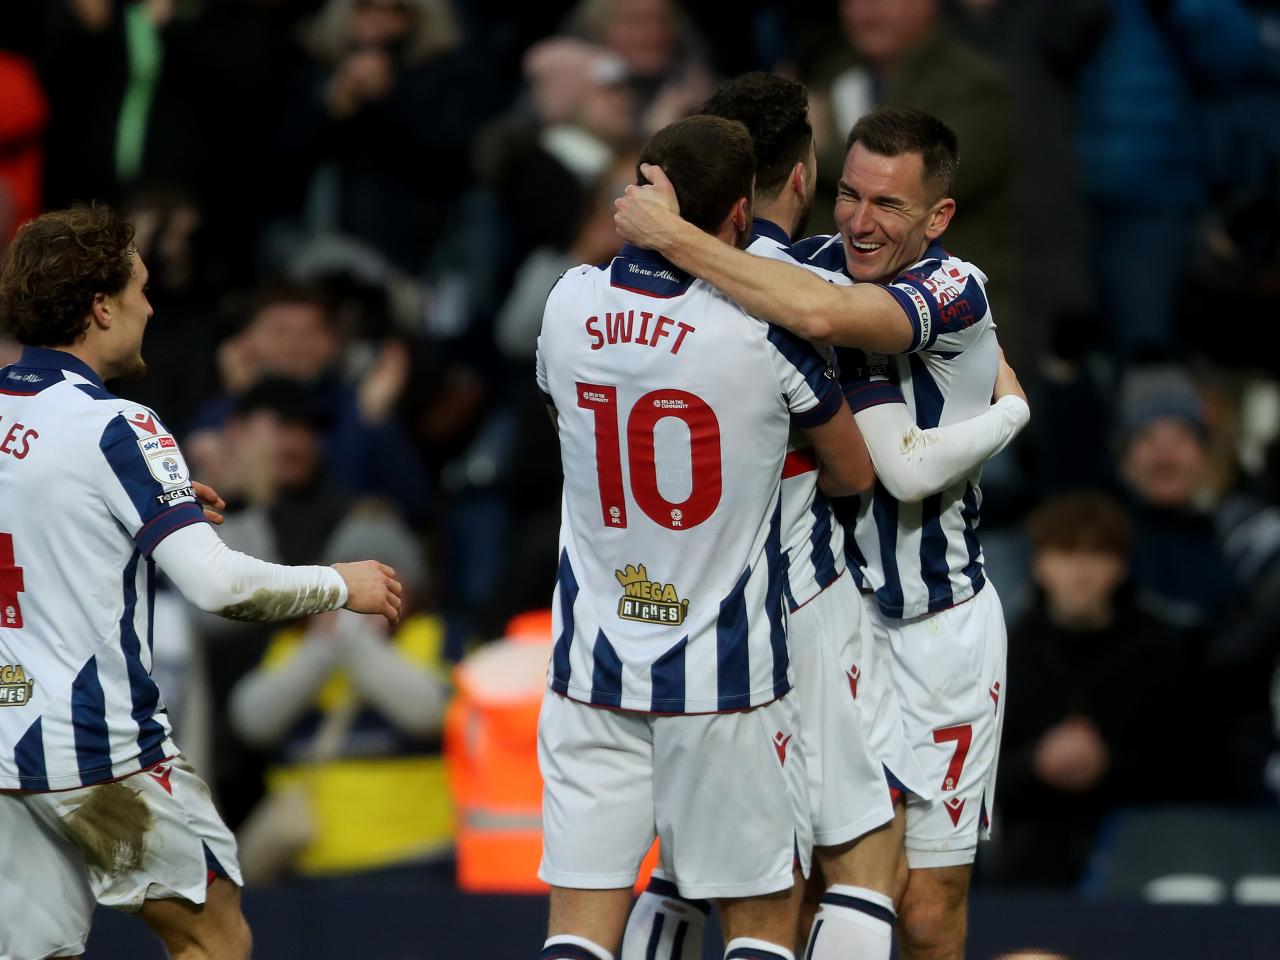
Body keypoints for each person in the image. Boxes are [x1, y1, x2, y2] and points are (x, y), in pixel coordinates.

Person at [620, 75, 1030, 960]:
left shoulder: (957, 291)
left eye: (890, 203)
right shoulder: (801, 265)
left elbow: (818, 316)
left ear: (939, 216)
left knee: (926, 911)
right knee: (802, 881)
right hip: (823, 624)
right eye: (849, 192)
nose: (861, 220)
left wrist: (674, 236)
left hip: (938, 629)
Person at [0, 204, 402, 960]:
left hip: (2, 737)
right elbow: (220, 587)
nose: (151, 307)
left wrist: (151, 509)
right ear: (100, 306)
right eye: (140, 289)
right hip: (96, 752)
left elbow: (44, 518)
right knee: (214, 940)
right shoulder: (116, 426)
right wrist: (338, 583)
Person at [536, 115, 873, 960]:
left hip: (590, 668)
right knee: (759, 929)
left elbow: (562, 414)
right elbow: (853, 473)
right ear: (737, 220)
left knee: (577, 936)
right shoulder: (761, 332)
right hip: (723, 674)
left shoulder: (567, 301)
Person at [994, 490, 1190, 888]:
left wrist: (1108, 766)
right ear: (1039, 565)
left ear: (1120, 567)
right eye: (1065, 553)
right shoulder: (1002, 649)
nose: (1080, 571)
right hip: (1027, 864)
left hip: (1143, 861)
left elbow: (1190, 767)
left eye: (1098, 554)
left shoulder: (1160, 652)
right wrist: (1038, 763)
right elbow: (972, 769)